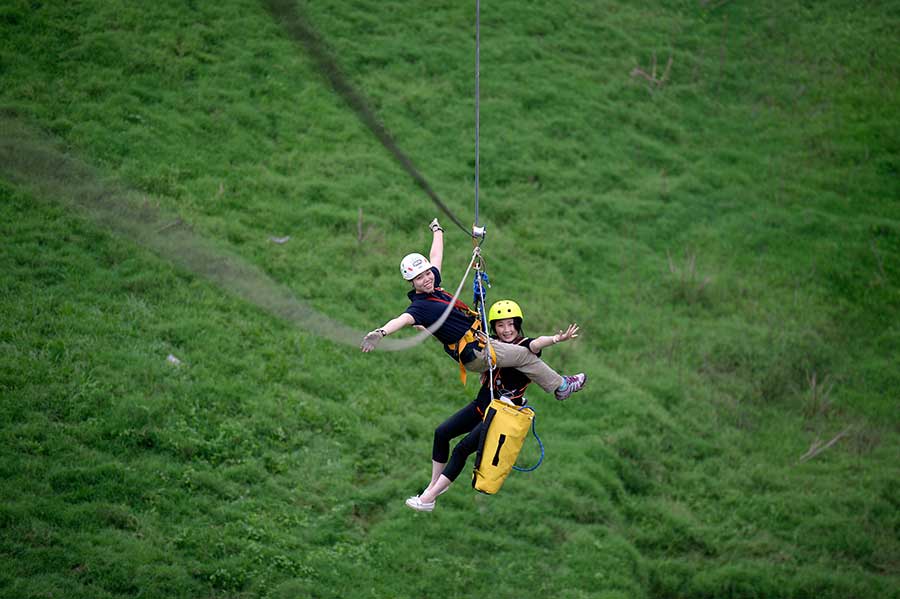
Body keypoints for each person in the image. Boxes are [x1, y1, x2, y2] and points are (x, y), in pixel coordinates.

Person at [360, 218, 586, 404]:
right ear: (412, 282)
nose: (427, 279)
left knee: (519, 355)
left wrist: (437, 230)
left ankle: (513, 393)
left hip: (479, 342)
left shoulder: (433, 286)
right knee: (525, 354)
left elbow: (436, 256)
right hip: (475, 352)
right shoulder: (420, 307)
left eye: (427, 273)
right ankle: (561, 386)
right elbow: (401, 319)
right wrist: (380, 333)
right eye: (420, 278)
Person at [404, 299, 580, 512]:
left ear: (517, 325)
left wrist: (555, 339)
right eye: (501, 325)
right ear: (494, 327)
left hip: (501, 414)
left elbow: (536, 344)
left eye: (511, 324)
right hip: (482, 405)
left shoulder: (524, 348)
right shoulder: (492, 345)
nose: (507, 330)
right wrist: (428, 327)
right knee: (442, 433)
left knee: (461, 449)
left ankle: (429, 498)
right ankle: (434, 485)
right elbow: (460, 342)